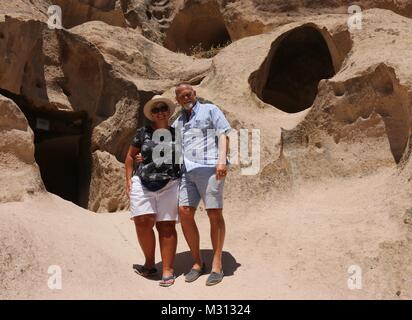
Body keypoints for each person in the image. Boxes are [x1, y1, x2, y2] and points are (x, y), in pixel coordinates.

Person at [172, 83, 231, 286]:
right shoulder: (178, 122)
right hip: (187, 172)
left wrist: (222, 160)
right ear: (178, 100)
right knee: (184, 212)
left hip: (210, 168)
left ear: (194, 94)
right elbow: (172, 147)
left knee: (214, 213)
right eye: (182, 96)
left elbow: (223, 134)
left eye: (189, 94)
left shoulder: (210, 110)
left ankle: (217, 264)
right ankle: (197, 262)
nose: (187, 98)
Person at [125, 95, 181, 287]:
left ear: (168, 111)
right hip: (143, 181)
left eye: (163, 108)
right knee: (142, 221)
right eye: (155, 110)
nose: (160, 112)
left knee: (166, 226)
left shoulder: (177, 134)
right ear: (151, 114)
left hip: (170, 184)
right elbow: (131, 156)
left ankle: (167, 269)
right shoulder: (143, 132)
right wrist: (128, 180)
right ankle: (149, 263)